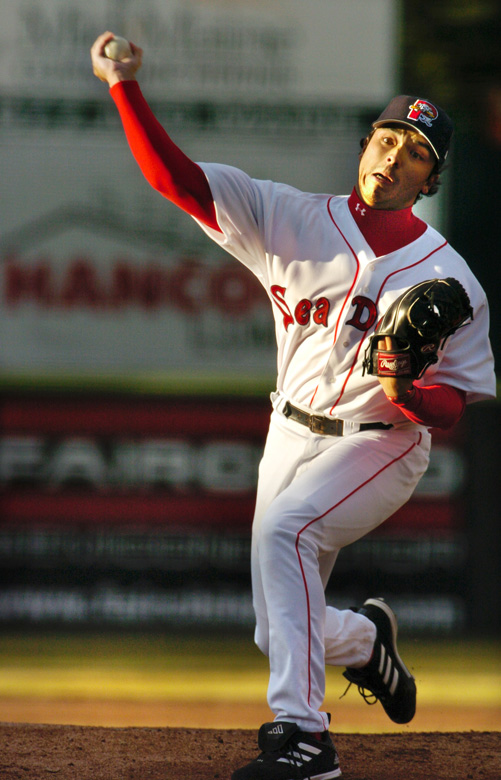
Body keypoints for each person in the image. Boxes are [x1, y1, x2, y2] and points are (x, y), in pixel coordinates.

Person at [91, 32, 496, 780]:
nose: (390, 157)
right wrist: (122, 88)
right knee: (274, 628)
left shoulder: (451, 276)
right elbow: (173, 181)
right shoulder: (289, 217)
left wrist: (407, 388)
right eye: (384, 138)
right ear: (365, 144)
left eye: (411, 152)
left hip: (381, 441)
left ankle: (304, 739)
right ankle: (366, 645)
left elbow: (452, 410)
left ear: (429, 176)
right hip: (289, 430)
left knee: (284, 531)